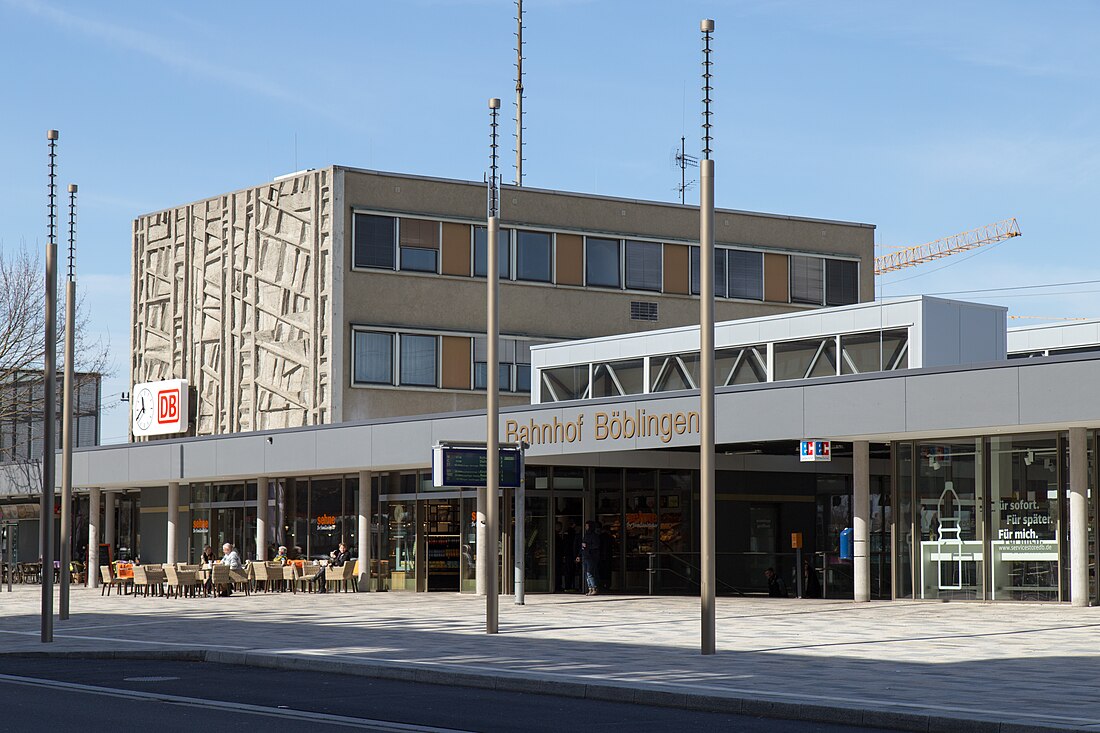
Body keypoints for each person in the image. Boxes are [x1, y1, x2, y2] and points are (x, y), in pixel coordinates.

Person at [577, 520, 601, 596]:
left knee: (590, 573)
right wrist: (579, 555)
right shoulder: (586, 535)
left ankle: (594, 588)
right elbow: (582, 546)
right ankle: (590, 588)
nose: (586, 527)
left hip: (591, 557)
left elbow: (596, 546)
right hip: (585, 556)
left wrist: (587, 546)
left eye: (587, 526)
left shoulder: (594, 536)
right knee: (587, 574)